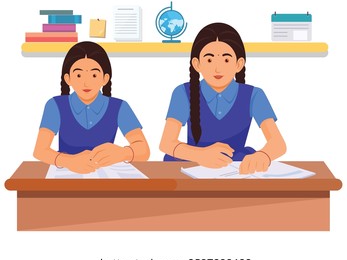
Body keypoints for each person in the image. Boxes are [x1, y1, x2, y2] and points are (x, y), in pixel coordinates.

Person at [159, 23, 286, 174]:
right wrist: (200, 155)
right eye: (209, 60)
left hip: (236, 167)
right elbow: (166, 143)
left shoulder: (254, 95)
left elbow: (278, 143)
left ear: (239, 64)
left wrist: (264, 155)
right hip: (192, 166)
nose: (218, 69)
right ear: (196, 64)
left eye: (226, 60)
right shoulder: (182, 93)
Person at [34, 41, 150, 174]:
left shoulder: (120, 107)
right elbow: (40, 150)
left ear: (105, 78)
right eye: (78, 75)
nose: (86, 82)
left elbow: (144, 150)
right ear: (68, 79)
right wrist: (68, 161)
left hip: (106, 175)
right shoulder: (55, 105)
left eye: (94, 75)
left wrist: (123, 153)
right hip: (65, 175)